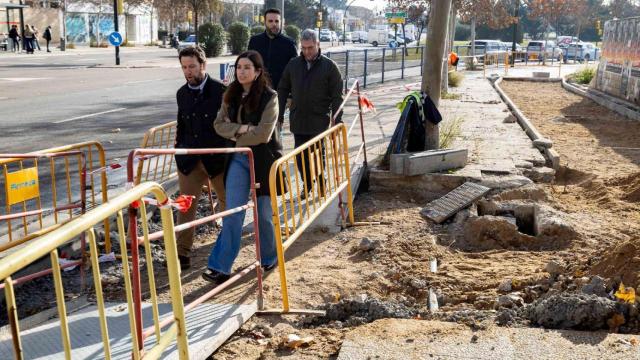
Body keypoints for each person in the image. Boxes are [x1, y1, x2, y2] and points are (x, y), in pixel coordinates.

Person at [202, 50, 281, 285]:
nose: (242, 71)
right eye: (238, 67)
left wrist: (235, 131)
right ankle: (220, 266)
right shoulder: (230, 95)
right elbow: (218, 125)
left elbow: (264, 134)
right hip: (237, 159)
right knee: (233, 214)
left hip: (263, 161)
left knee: (264, 216)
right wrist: (245, 129)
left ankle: (269, 256)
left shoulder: (270, 97)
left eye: (247, 67)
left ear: (257, 72)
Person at [175, 46, 229, 270]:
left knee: (230, 206)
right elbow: (182, 124)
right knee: (185, 206)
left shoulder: (221, 91)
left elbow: (229, 124)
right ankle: (181, 253)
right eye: (184, 67)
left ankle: (227, 249)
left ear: (203, 65)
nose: (188, 72)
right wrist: (179, 149)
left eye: (192, 66)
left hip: (217, 160)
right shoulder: (181, 93)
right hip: (189, 161)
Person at [277, 29, 343, 196]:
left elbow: (337, 96)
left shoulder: (329, 67)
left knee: (317, 156)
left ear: (318, 45)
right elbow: (283, 88)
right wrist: (279, 116)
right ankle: (307, 184)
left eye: (310, 48)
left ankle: (321, 183)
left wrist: (337, 119)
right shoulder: (293, 65)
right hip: (298, 119)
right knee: (300, 157)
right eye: (304, 48)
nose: (307, 52)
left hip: (319, 120)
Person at [248, 8, 297, 90]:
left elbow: (295, 70)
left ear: (281, 22)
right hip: (258, 89)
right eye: (270, 21)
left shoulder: (289, 43)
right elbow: (249, 64)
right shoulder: (254, 41)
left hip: (281, 91)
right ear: (265, 22)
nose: (274, 24)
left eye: (277, 21)